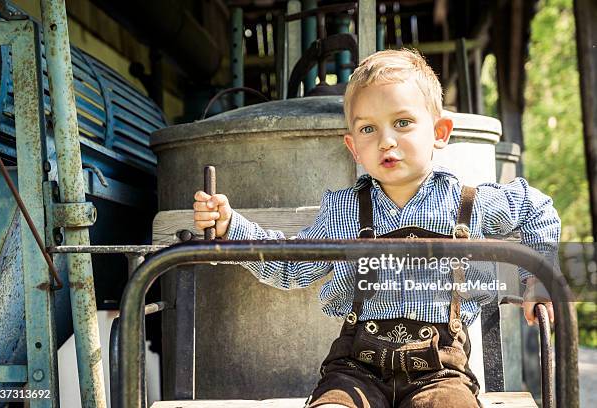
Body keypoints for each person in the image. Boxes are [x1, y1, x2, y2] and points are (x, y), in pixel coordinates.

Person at [192, 49, 560, 408]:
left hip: (441, 373)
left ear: (440, 131)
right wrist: (230, 227)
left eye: (402, 123)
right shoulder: (343, 211)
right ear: (354, 148)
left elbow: (539, 209)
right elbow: (291, 267)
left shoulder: (469, 203)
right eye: (369, 128)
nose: (386, 140)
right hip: (356, 370)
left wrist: (538, 278)